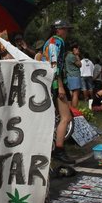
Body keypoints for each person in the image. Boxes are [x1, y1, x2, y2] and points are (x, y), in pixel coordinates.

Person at [42, 19, 74, 164]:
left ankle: (54, 149)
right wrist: (60, 85)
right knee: (65, 117)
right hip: (54, 83)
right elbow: (54, 65)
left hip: (49, 82)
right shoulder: (56, 42)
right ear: (58, 30)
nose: (67, 32)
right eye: (65, 29)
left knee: (54, 118)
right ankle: (59, 150)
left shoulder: (51, 41)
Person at [65, 43, 82, 108]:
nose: (79, 51)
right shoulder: (72, 56)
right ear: (74, 49)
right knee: (75, 94)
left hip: (69, 76)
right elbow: (80, 65)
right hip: (75, 76)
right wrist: (77, 56)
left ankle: (70, 108)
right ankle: (74, 109)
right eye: (78, 49)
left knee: (71, 93)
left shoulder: (67, 55)